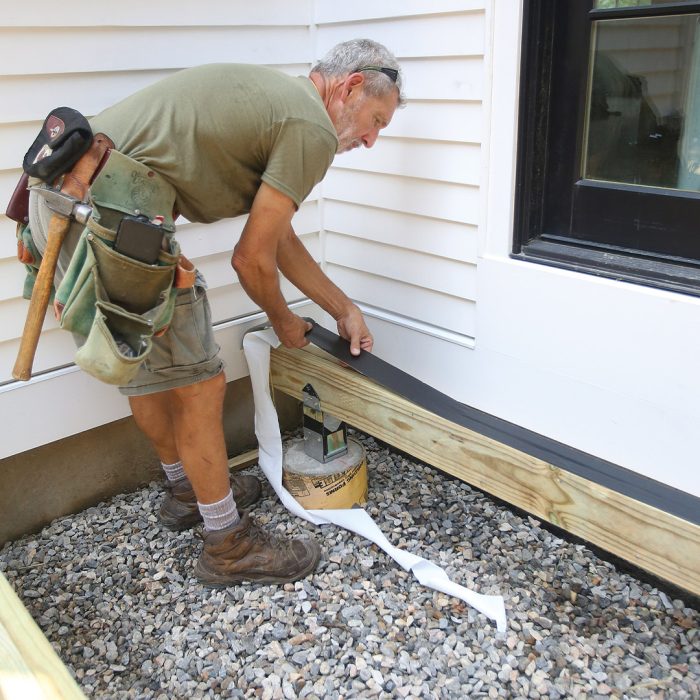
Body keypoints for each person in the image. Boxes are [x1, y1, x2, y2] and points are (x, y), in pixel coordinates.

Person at [26, 39, 404, 585]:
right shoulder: (312, 129)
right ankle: (228, 545)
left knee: (148, 366)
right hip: (110, 214)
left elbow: (279, 239)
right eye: (374, 120)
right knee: (200, 384)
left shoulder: (278, 104)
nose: (369, 140)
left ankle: (185, 491)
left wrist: (341, 308)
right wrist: (282, 321)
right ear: (347, 89)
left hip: (63, 201)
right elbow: (251, 259)